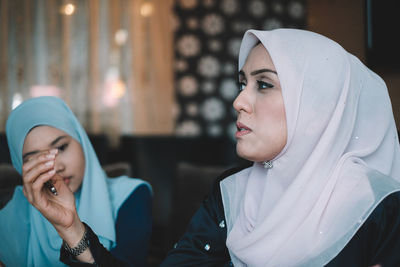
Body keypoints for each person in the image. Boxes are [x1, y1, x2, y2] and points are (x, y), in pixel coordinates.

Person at [161, 29, 400, 266]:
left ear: (318, 110)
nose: (239, 101)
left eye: (264, 85)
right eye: (242, 84)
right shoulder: (230, 193)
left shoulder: (381, 206)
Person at [0, 96, 152, 266]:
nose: (55, 167)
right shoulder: (11, 213)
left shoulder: (130, 196)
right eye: (36, 160)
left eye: (61, 148)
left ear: (82, 141)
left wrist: (71, 229)